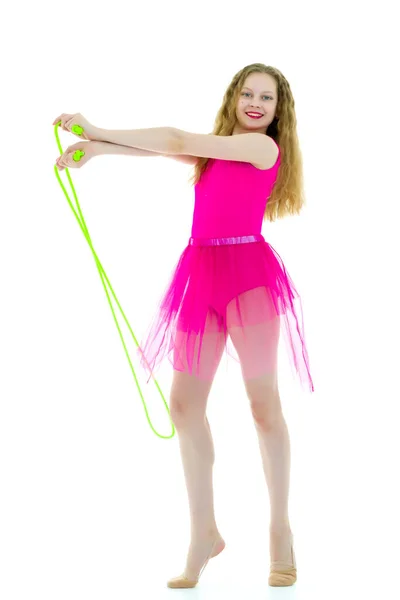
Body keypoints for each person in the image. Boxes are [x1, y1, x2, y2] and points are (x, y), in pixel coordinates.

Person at [133, 63, 314, 588]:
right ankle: (203, 533)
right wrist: (96, 150)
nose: (256, 104)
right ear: (234, 96)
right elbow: (168, 148)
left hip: (249, 280)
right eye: (249, 93)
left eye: (268, 98)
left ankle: (280, 529)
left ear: (279, 112)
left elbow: (174, 137)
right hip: (202, 274)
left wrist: (95, 129)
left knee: (264, 408)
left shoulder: (261, 149)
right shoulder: (215, 149)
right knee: (184, 405)